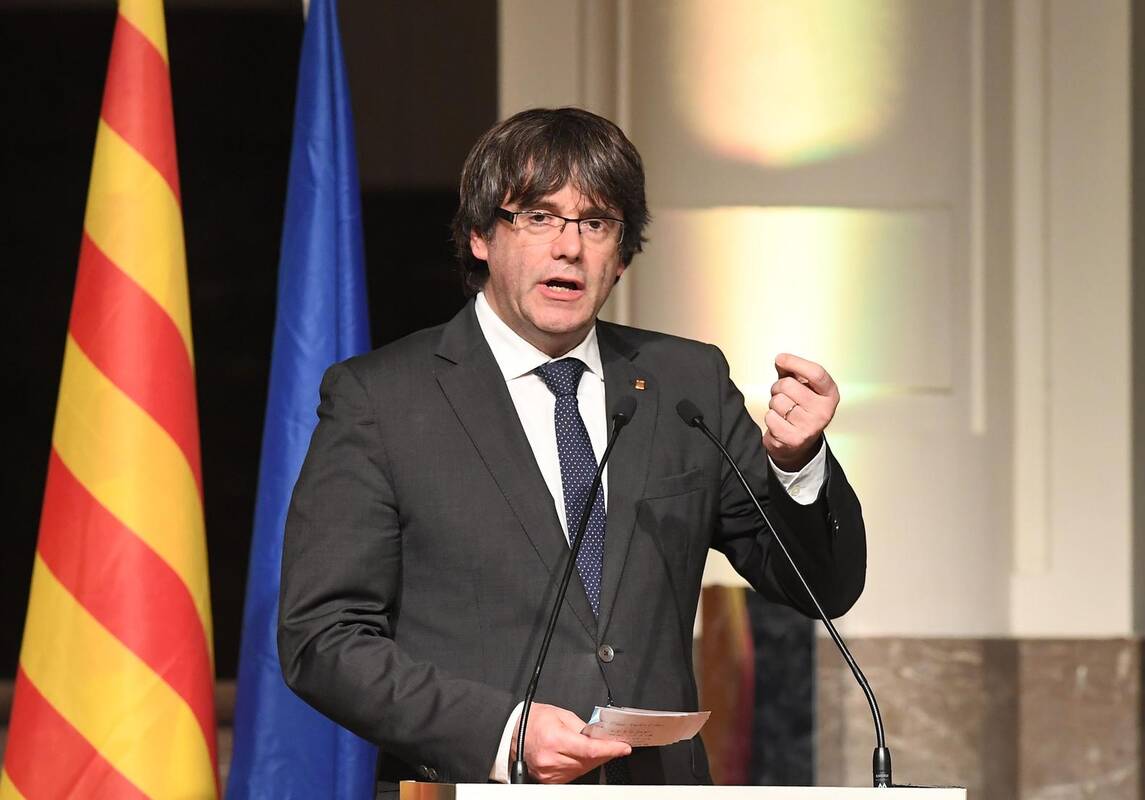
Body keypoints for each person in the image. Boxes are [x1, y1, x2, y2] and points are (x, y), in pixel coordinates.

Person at [278, 107, 866, 791]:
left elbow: (820, 586)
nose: (569, 247)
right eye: (538, 217)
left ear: (622, 255)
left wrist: (797, 464)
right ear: (479, 236)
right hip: (477, 787)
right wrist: (502, 732)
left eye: (595, 223)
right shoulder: (381, 399)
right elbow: (322, 637)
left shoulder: (686, 383)